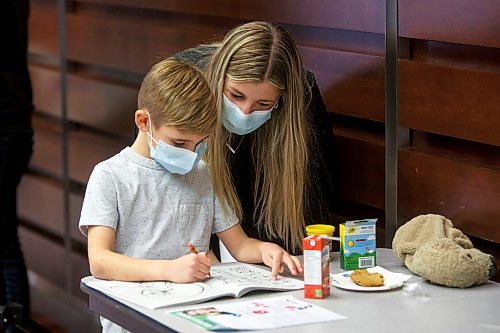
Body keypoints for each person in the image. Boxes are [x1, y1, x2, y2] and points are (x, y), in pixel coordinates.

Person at [79, 58, 303, 333]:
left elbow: (240, 246)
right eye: (179, 143)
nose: (190, 153)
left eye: (199, 144)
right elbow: (100, 261)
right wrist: (168, 270)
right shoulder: (110, 177)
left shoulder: (202, 174)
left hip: (197, 317)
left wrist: (266, 250)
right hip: (135, 322)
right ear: (143, 121)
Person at [176, 21, 336, 257]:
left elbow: (313, 199)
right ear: (219, 77)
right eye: (236, 95)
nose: (245, 112)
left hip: (261, 231)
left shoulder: (302, 94)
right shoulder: (182, 81)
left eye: (263, 104)